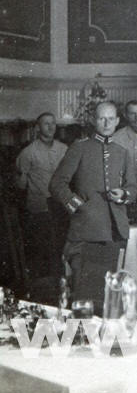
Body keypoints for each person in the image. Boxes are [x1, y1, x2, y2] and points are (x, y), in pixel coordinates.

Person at [50, 102, 136, 289]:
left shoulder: (122, 152)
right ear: (93, 121)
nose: (106, 123)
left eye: (111, 119)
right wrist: (78, 206)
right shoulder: (79, 148)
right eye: (101, 118)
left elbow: (132, 188)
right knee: (85, 290)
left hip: (115, 233)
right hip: (86, 231)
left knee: (110, 291)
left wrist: (123, 194)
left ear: (117, 121)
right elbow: (57, 184)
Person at [16, 113, 68, 279]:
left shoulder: (64, 149)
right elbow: (20, 184)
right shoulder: (28, 153)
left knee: (60, 248)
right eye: (46, 124)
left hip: (60, 208)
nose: (51, 127)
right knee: (41, 251)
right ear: (38, 128)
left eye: (53, 123)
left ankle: (60, 282)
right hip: (39, 209)